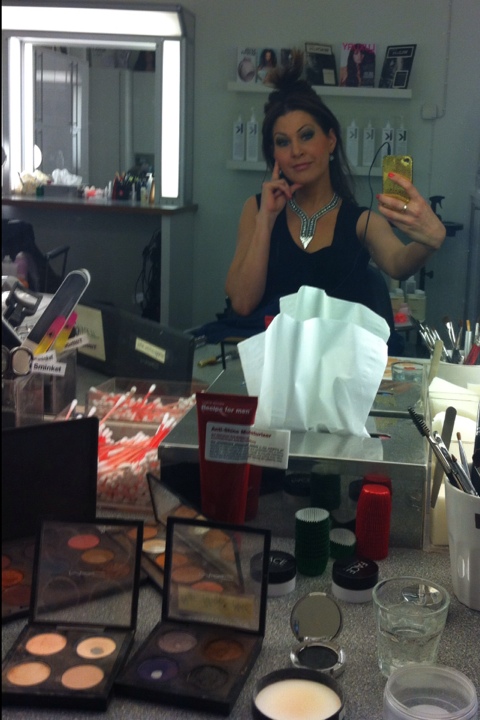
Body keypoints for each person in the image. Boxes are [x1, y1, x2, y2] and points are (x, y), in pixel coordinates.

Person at [224, 50, 445, 346]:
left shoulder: (361, 221)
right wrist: (266, 220)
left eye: (306, 135)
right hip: (269, 359)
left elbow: (398, 262)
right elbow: (241, 304)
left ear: (330, 140)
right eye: (282, 142)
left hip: (339, 362)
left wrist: (430, 241)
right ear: (273, 154)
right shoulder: (255, 209)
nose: (296, 151)